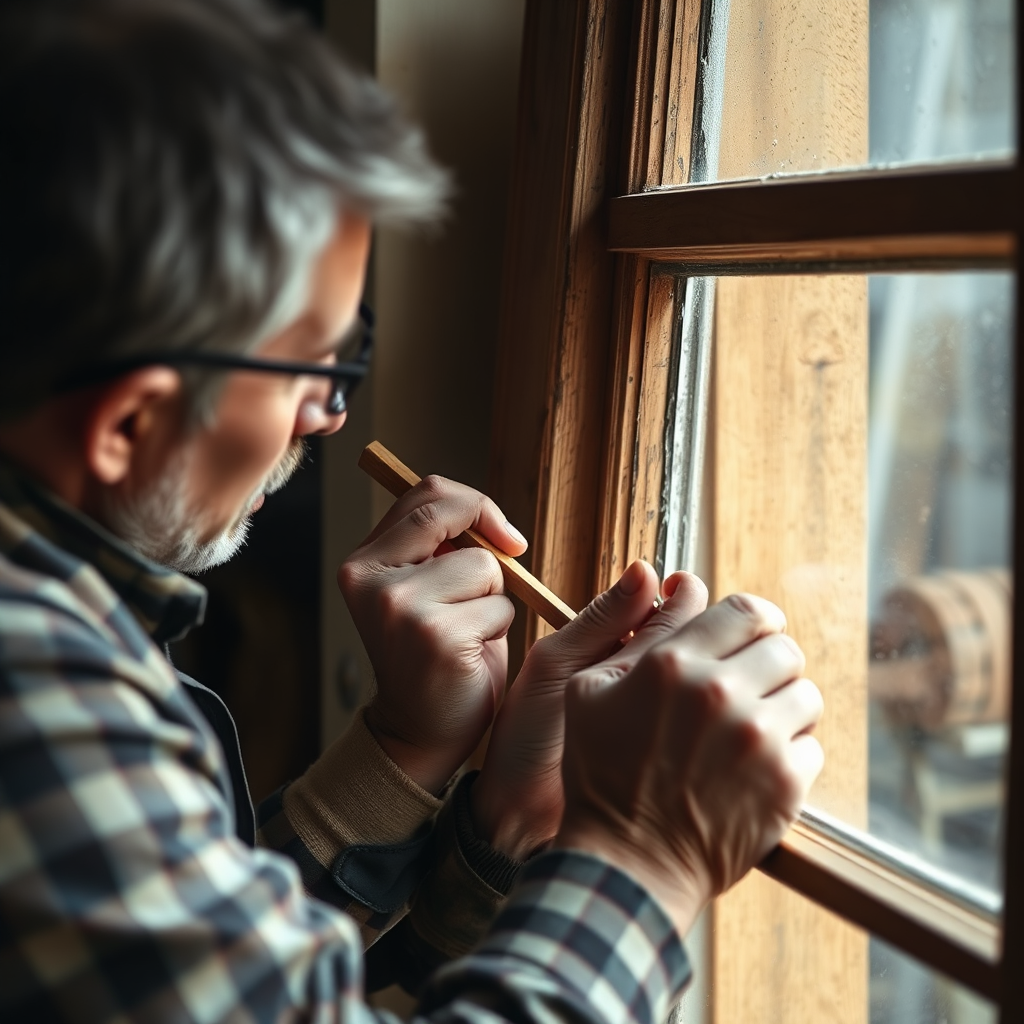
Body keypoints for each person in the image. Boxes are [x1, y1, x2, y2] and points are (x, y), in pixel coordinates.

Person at [0, 1, 825, 1021]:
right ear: (125, 420)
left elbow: (176, 984)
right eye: (312, 363)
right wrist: (644, 852)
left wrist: (413, 761)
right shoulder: (34, 694)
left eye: (355, 347)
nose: (332, 415)